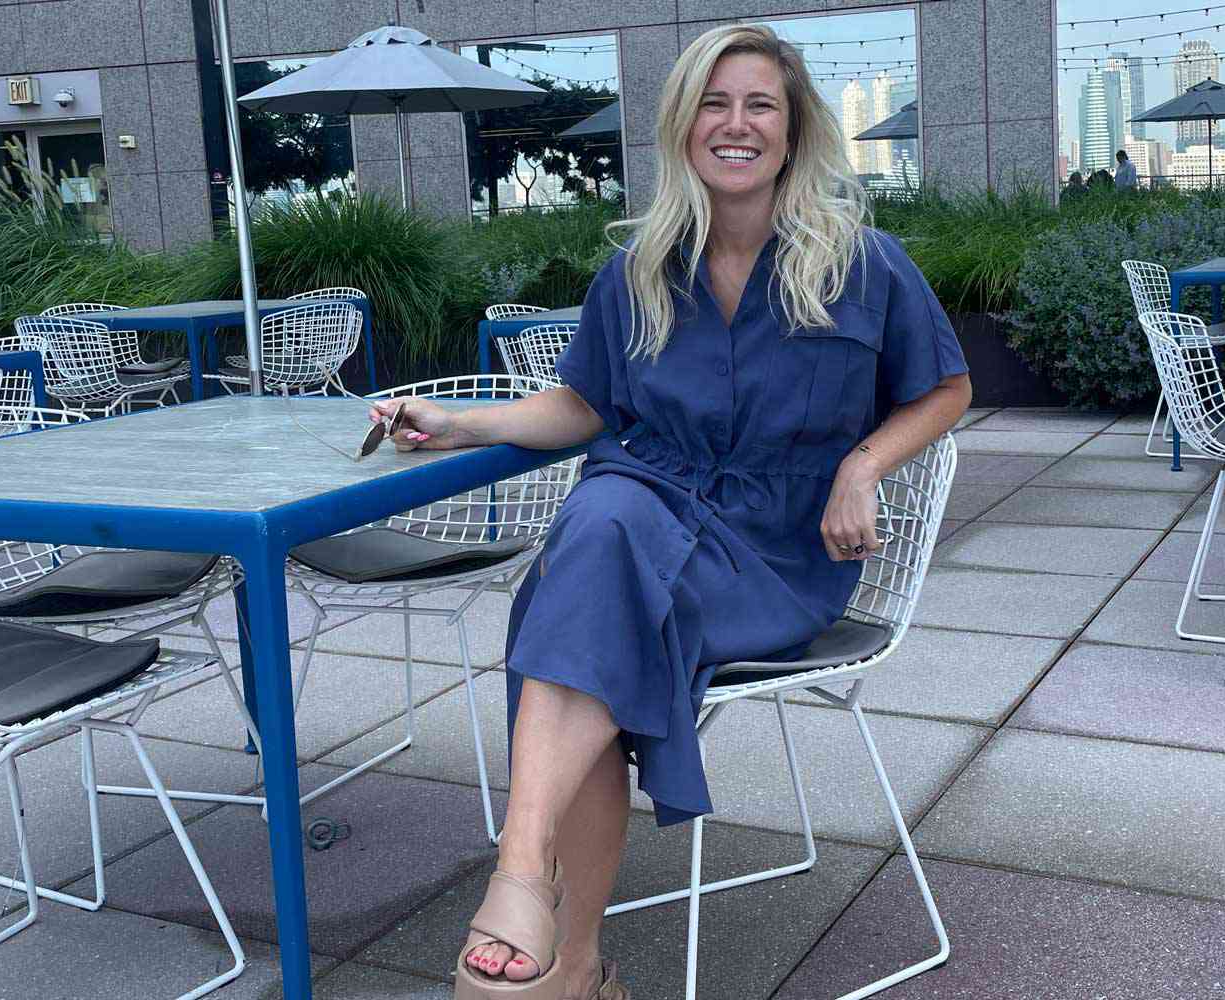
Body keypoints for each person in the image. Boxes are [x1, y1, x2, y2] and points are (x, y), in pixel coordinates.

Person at [369, 24, 971, 1000]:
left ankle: (549, 923)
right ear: (683, 126)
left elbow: (945, 390)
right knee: (607, 537)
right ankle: (557, 934)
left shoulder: (865, 264)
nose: (735, 123)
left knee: (597, 559)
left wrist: (863, 464)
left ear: (794, 127)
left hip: (777, 554)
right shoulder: (638, 270)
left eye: (759, 104)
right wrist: (454, 423)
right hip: (644, 521)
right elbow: (583, 408)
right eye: (714, 103)